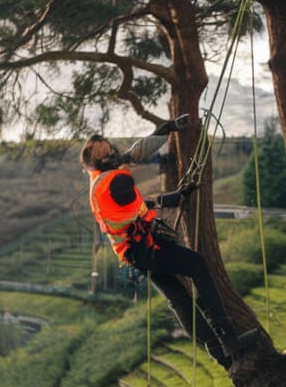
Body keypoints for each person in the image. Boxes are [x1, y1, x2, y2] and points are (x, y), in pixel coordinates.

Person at [80, 118, 254, 366]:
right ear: (106, 158)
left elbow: (131, 197)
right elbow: (130, 187)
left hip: (133, 252)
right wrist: (135, 169)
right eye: (111, 150)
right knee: (197, 265)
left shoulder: (98, 181)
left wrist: (160, 136)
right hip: (145, 247)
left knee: (179, 298)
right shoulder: (116, 180)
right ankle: (228, 338)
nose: (117, 151)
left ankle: (218, 352)